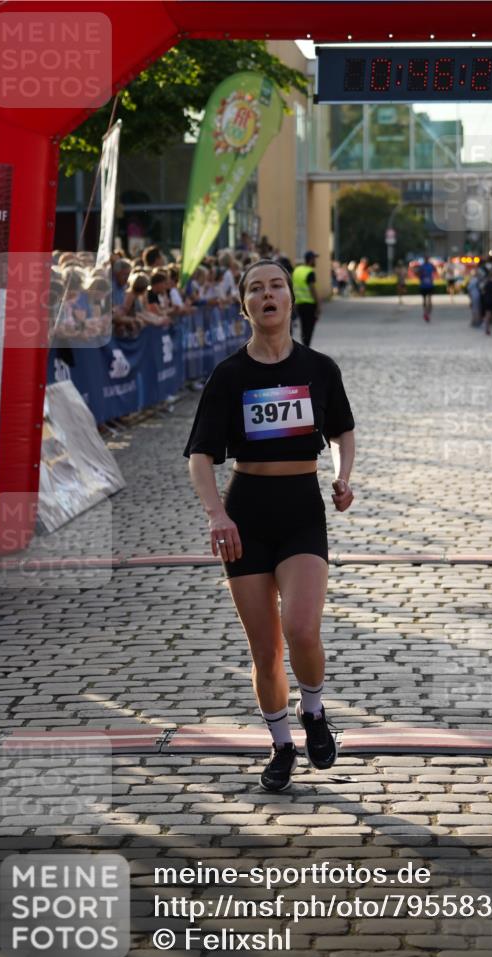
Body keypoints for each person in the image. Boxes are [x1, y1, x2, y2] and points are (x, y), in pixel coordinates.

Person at [184, 259, 355, 793]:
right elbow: (200, 455)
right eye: (255, 289)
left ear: (288, 297)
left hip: (302, 510)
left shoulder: (319, 368)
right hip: (247, 514)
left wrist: (343, 476)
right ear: (245, 307)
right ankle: (281, 745)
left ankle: (314, 710)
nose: (267, 294)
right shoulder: (229, 375)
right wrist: (216, 513)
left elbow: (342, 431)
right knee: (265, 650)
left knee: (301, 629)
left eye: (276, 285)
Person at [292, 250, 321, 347]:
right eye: (314, 259)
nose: (315, 261)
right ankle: (306, 348)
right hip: (309, 304)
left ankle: (304, 347)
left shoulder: (297, 270)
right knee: (309, 328)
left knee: (303, 327)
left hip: (299, 304)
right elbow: (312, 289)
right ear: (311, 260)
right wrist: (318, 304)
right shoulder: (310, 272)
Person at [417, 255, 436, 322]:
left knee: (428, 300)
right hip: (424, 285)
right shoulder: (424, 266)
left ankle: (427, 313)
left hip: (428, 285)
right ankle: (426, 313)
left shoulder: (426, 266)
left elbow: (435, 272)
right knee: (426, 300)